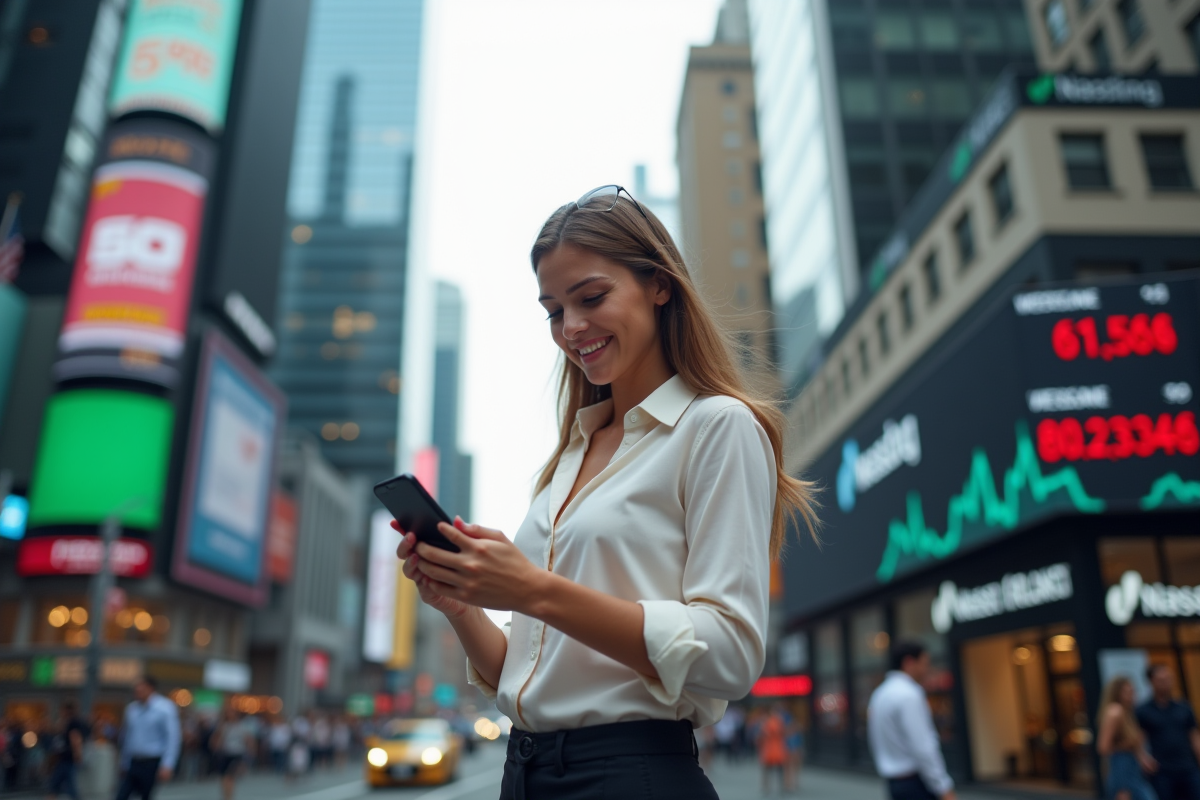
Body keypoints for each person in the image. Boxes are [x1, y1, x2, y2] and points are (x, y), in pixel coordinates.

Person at [392, 184, 818, 800]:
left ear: (659, 284)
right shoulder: (570, 454)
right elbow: (534, 668)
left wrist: (532, 588)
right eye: (553, 310)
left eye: (591, 298)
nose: (571, 328)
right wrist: (463, 606)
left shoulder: (716, 426)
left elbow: (730, 653)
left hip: (633, 776)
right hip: (526, 773)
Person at [868, 640, 955, 800]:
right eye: (924, 663)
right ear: (909, 662)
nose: (926, 669)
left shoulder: (879, 694)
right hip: (917, 784)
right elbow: (923, 746)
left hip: (895, 783)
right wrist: (943, 787)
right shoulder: (909, 694)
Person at [1138, 664, 1200, 800]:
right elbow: (1139, 739)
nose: (1166, 683)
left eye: (1168, 679)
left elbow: (1194, 736)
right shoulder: (1143, 710)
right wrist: (1143, 758)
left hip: (1188, 767)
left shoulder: (1183, 707)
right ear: (1151, 681)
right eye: (1161, 680)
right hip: (1162, 771)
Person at [115, 676, 181, 800]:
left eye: (140, 686)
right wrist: (124, 762)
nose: (137, 690)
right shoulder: (132, 709)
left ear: (150, 688)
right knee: (121, 795)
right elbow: (127, 737)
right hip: (134, 761)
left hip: (152, 762)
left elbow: (172, 738)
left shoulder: (165, 708)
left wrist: (168, 764)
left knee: (146, 795)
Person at [1099, 675, 1157, 800]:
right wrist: (1130, 743)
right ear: (1117, 692)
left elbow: (1135, 745)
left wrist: (1144, 759)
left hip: (1132, 768)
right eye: (1128, 691)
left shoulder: (1128, 712)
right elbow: (1103, 747)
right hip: (1121, 767)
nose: (1133, 694)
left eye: (1133, 691)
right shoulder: (1115, 711)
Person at [46, 702, 86, 800]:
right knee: (59, 784)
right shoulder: (67, 722)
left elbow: (75, 738)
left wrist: (77, 754)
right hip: (64, 758)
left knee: (65, 785)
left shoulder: (73, 722)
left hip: (67, 758)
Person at [211, 706, 253, 800]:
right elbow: (216, 739)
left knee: (230, 776)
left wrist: (248, 755)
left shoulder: (242, 726)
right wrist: (216, 747)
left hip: (237, 754)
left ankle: (229, 797)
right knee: (223, 777)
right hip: (225, 753)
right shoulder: (224, 726)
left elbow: (248, 740)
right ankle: (225, 796)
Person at [756, 704, 788, 796]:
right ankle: (774, 787)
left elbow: (762, 735)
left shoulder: (769, 721)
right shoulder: (778, 721)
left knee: (770, 769)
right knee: (776, 770)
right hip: (775, 749)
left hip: (772, 749)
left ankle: (767, 787)